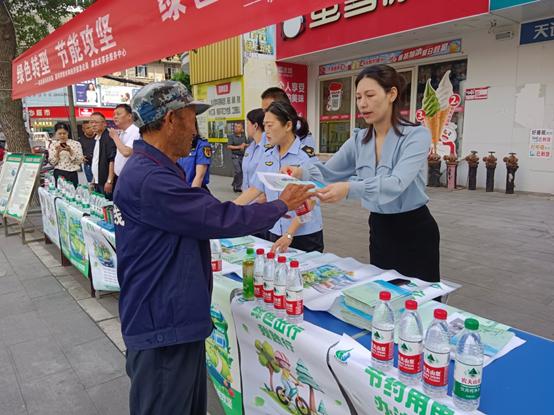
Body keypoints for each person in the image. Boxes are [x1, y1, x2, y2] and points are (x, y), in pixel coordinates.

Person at [113, 80, 314, 415]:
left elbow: (204, 212)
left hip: (171, 319)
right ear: (171, 119)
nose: (195, 129)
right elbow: (215, 218)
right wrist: (280, 205)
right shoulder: (150, 178)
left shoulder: (159, 168)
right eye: (193, 119)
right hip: (163, 326)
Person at [286, 64, 440, 283]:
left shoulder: (416, 136)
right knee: (386, 293)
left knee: (420, 296)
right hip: (379, 228)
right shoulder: (359, 140)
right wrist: (300, 171)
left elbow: (395, 183)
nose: (363, 104)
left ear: (392, 94)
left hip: (414, 228)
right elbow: (330, 171)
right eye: (358, 97)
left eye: (369, 95)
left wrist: (349, 188)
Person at [235, 101, 325, 253]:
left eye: (270, 126)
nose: (266, 132)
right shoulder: (268, 155)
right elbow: (254, 190)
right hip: (275, 230)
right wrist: (228, 210)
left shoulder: (305, 156)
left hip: (303, 235)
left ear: (288, 126)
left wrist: (289, 234)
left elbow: (311, 200)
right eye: (265, 126)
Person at [109, 104, 140, 182]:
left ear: (129, 116)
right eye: (114, 115)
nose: (115, 117)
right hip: (119, 176)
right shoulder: (122, 132)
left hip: (129, 178)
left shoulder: (135, 131)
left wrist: (115, 137)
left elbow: (126, 152)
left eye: (118, 114)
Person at [177, 120, 212, 190]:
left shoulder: (202, 145)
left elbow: (199, 176)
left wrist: (192, 196)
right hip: (179, 188)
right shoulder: (178, 144)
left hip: (194, 189)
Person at [90, 112, 117, 199]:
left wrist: (109, 181)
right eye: (91, 122)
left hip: (105, 181)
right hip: (98, 181)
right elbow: (96, 161)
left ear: (104, 124)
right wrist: (93, 180)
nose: (93, 125)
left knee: (107, 207)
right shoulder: (97, 138)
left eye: (96, 122)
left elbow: (112, 160)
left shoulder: (108, 137)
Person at [48, 123, 84, 188]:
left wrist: (70, 151)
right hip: (59, 172)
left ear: (68, 133)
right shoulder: (53, 145)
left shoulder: (76, 144)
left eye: (64, 133)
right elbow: (52, 162)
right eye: (59, 133)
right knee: (60, 194)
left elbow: (79, 161)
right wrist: (57, 152)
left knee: (72, 194)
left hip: (72, 173)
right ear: (56, 133)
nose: (62, 136)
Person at [241, 108, 266, 192]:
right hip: (247, 198)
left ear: (255, 126)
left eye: (247, 124)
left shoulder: (268, 149)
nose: (246, 128)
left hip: (260, 200)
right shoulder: (250, 147)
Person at [226, 122, 248, 192]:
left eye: (238, 127)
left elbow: (247, 144)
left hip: (243, 156)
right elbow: (229, 146)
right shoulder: (231, 136)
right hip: (235, 156)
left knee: (242, 172)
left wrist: (244, 145)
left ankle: (236, 185)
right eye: (235, 127)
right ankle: (237, 186)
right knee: (238, 171)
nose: (236, 128)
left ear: (242, 129)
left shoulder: (244, 136)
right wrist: (239, 146)